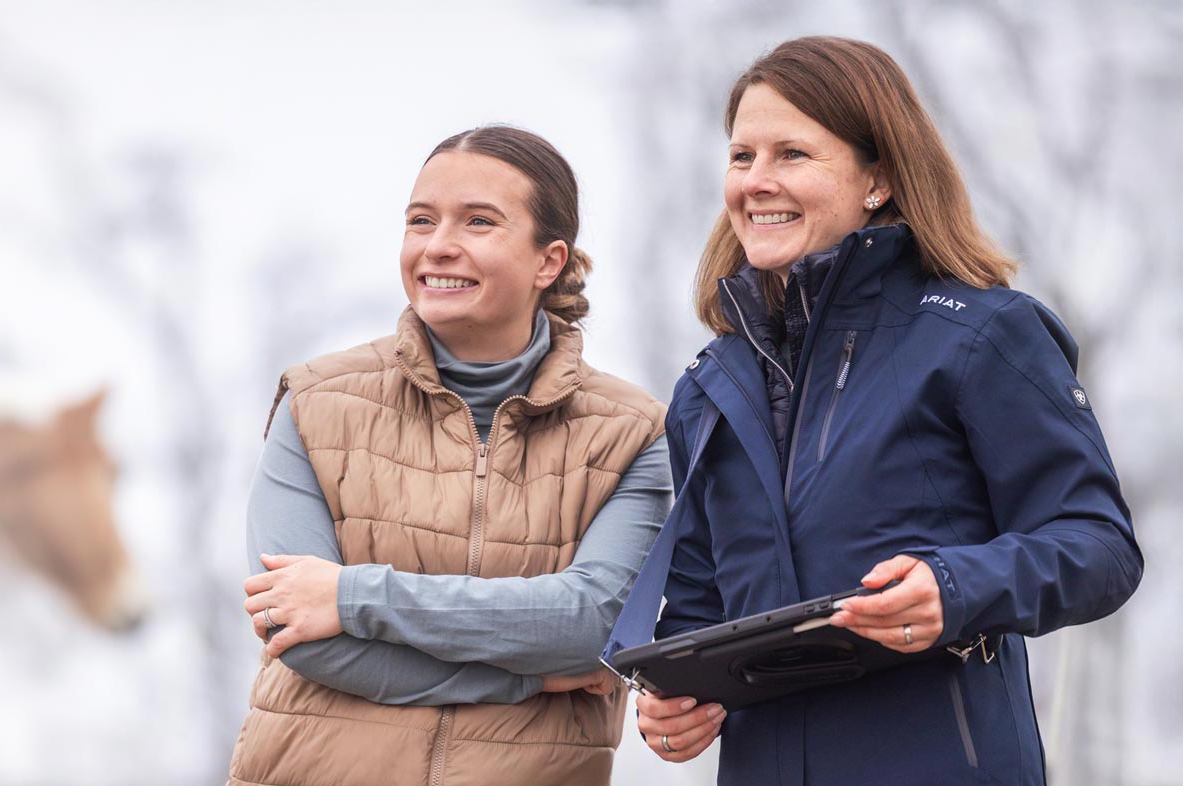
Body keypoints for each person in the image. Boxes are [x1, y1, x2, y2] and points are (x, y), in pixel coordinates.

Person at [634, 37, 1143, 785]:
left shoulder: (981, 334)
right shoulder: (711, 384)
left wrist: (956, 587)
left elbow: (1100, 548)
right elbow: (701, 606)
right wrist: (675, 701)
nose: (755, 182)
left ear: (878, 176)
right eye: (742, 157)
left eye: (792, 155)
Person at [227, 125, 673, 786]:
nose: (438, 247)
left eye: (479, 222)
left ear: (549, 261)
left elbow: (590, 628)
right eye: (421, 221)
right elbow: (298, 631)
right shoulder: (315, 403)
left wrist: (353, 595)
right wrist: (529, 679)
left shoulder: (632, 433)